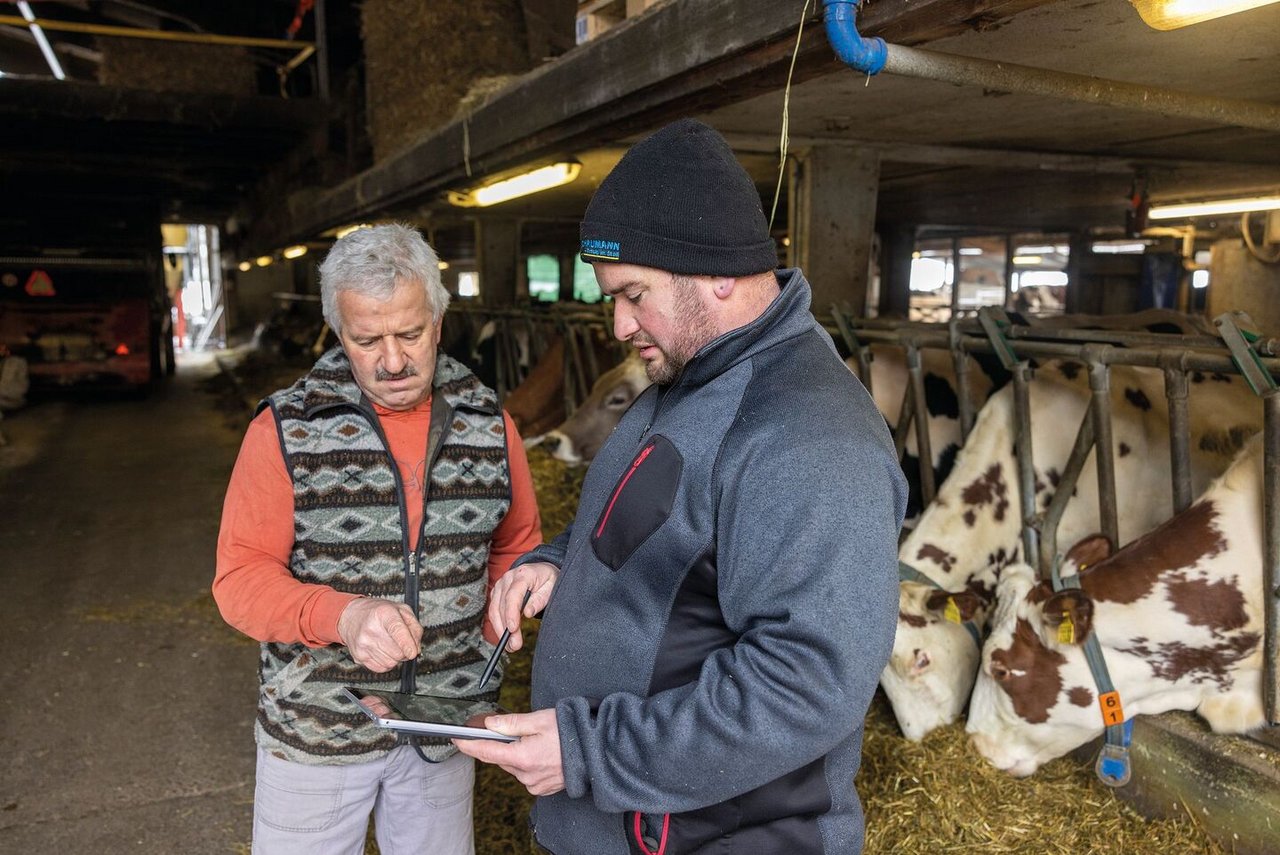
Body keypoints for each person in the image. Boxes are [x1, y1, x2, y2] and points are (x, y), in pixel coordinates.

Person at [457, 119, 906, 854]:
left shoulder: (810, 438)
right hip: (625, 825)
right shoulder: (693, 377)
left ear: (716, 272)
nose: (618, 323)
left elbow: (805, 683)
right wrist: (559, 563)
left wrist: (588, 751)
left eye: (633, 293)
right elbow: (657, 527)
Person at [213, 223, 542, 854]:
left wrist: (504, 610)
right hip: (317, 729)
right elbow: (240, 581)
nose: (393, 361)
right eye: (367, 340)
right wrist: (343, 615)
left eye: (410, 334)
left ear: (438, 322)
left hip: (446, 721)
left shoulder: (490, 425)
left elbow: (516, 543)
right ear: (339, 333)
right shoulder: (287, 430)